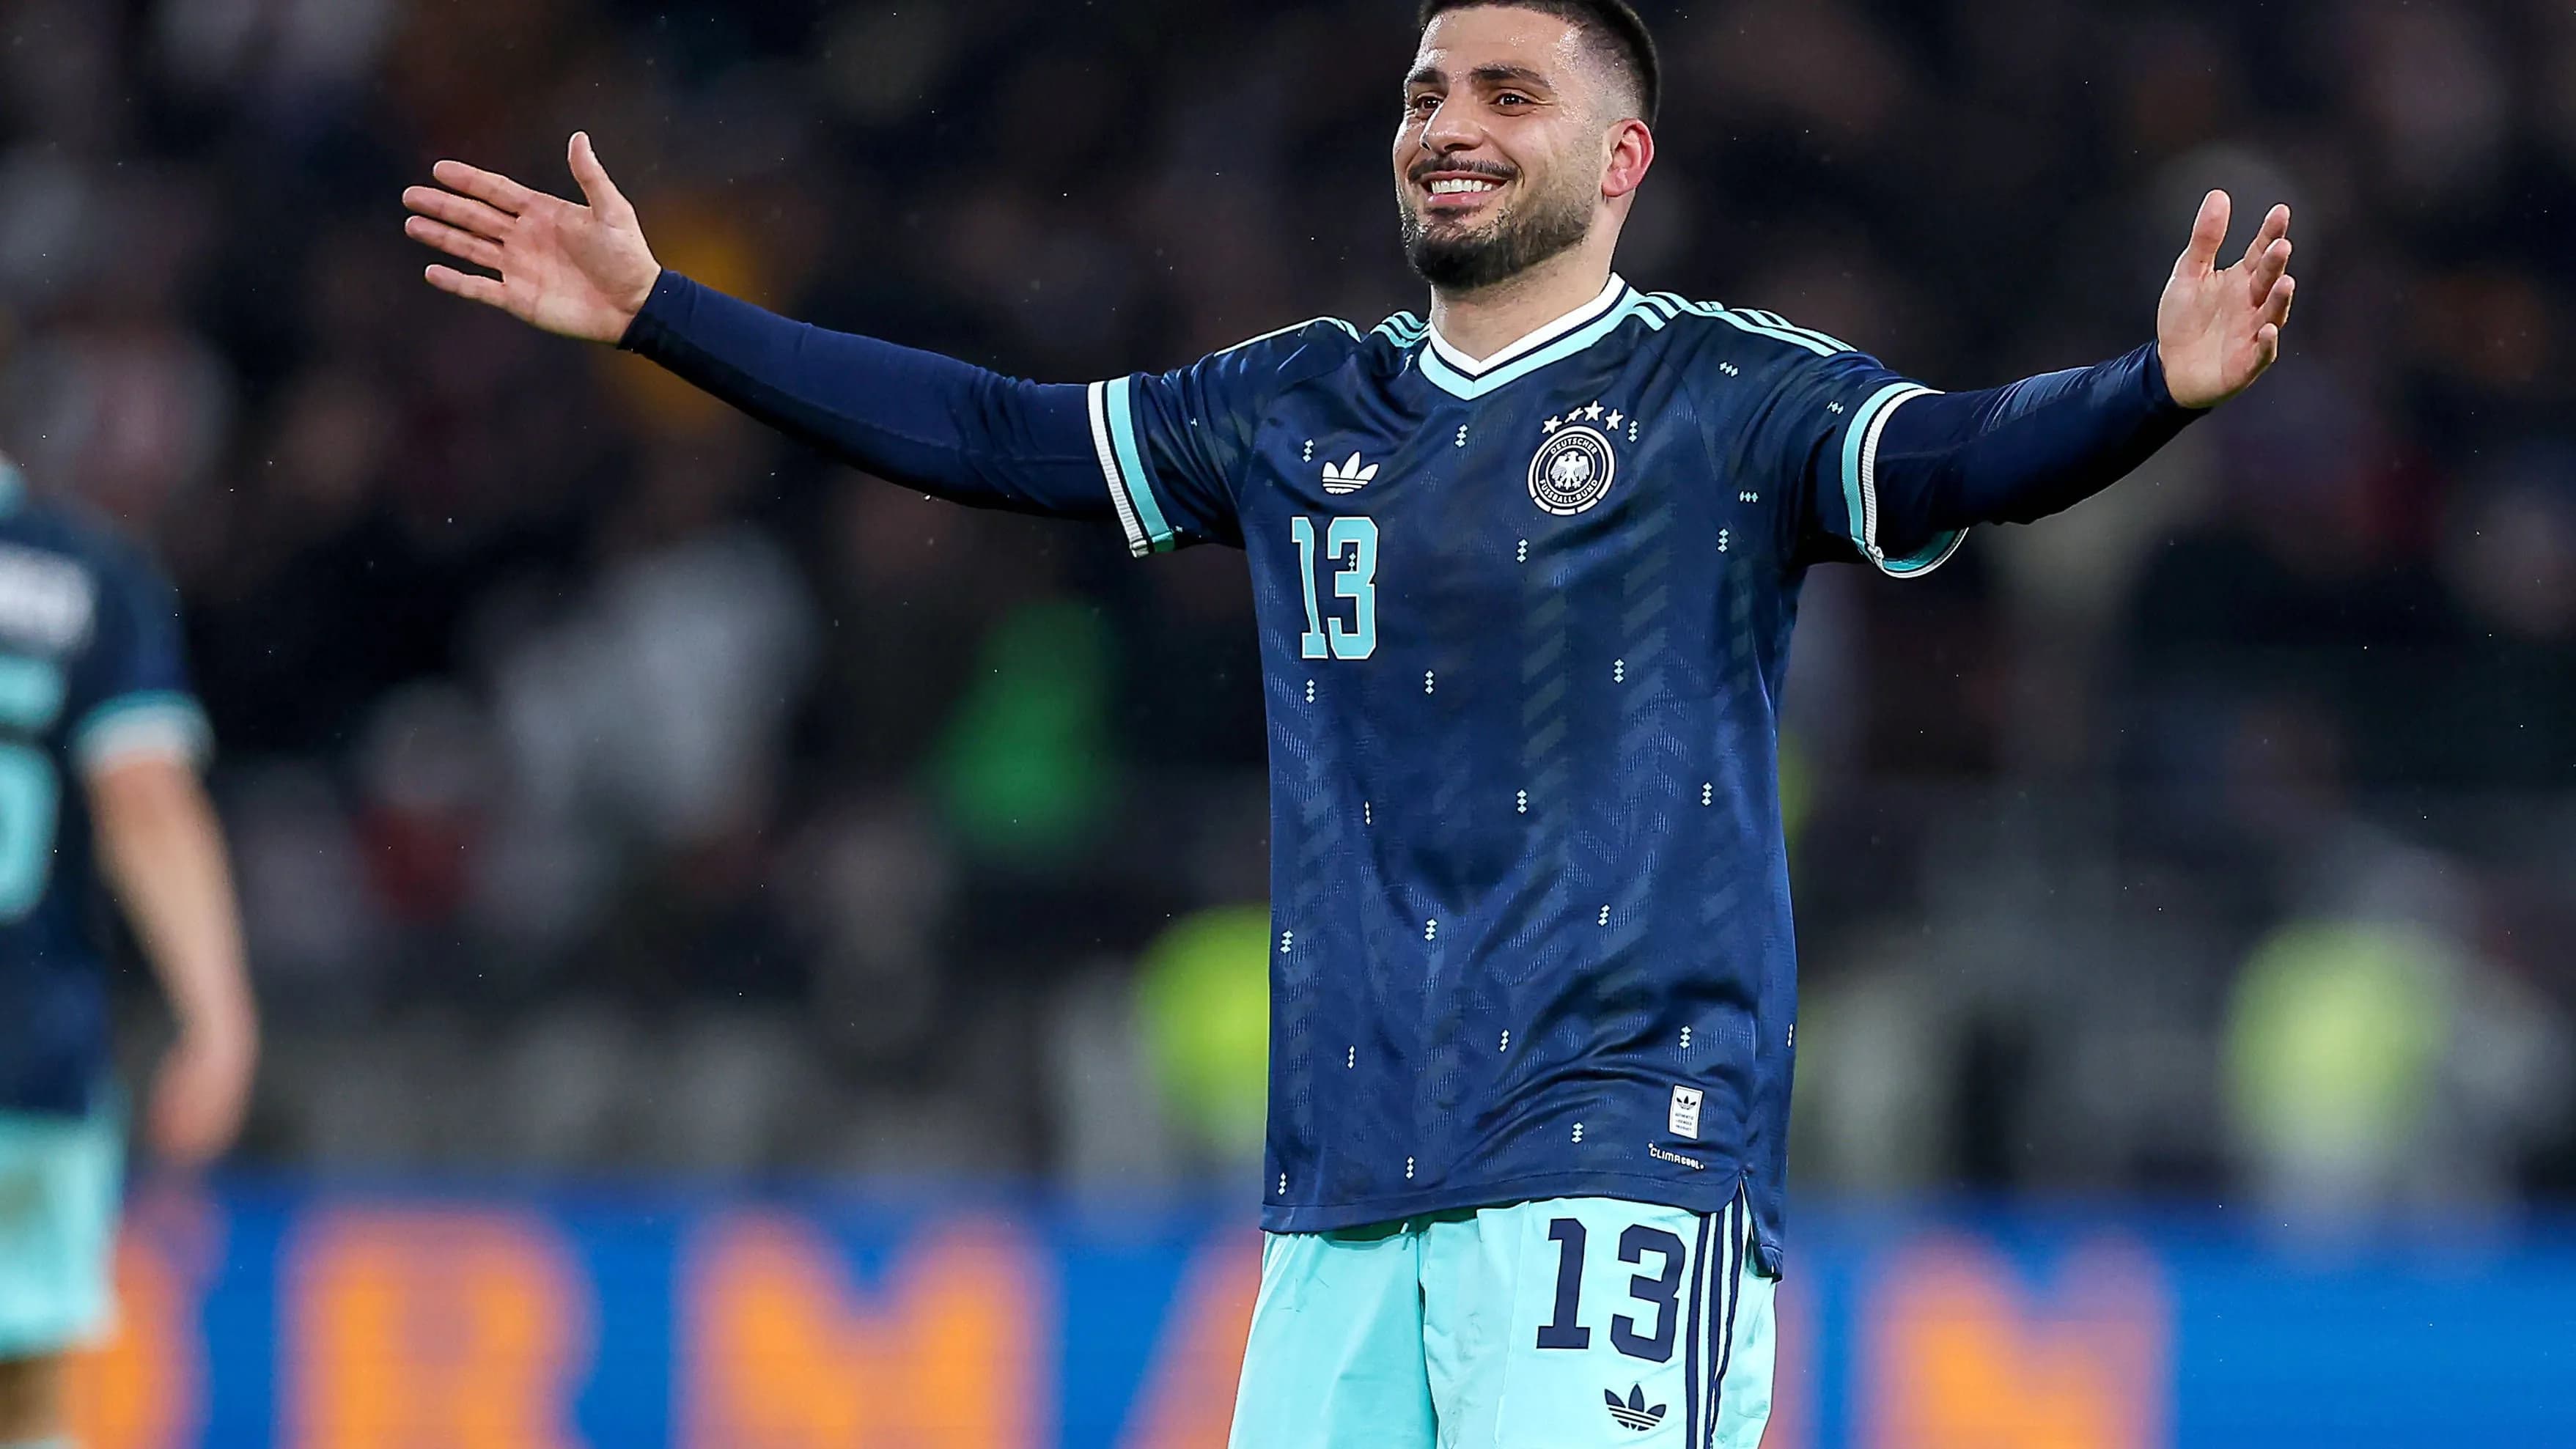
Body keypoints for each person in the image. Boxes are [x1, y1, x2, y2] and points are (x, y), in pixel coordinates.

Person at [401, 1, 2296, 1442]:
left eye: (1506, 94)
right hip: (1346, 1172)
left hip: (1619, 1146)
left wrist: (2149, 389)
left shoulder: (1723, 397)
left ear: (1619, 160)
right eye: (1423, 93)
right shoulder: (1296, 404)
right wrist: (664, 312)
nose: (1447, 125)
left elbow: (1958, 452)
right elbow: (991, 433)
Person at [0, 454, 255, 1449]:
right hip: (27, 1050)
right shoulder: (85, 571)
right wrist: (218, 1016)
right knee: (22, 1393)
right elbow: (145, 797)